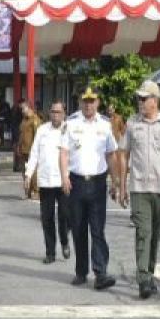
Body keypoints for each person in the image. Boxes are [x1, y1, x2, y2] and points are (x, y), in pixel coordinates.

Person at [118, 80, 160, 299]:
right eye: (138, 98)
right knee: (143, 233)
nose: (140, 102)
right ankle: (143, 279)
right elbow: (123, 154)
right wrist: (120, 185)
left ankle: (150, 273)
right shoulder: (132, 123)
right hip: (139, 187)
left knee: (155, 235)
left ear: (154, 101)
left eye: (144, 98)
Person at [59, 86, 119, 290]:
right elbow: (64, 153)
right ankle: (81, 271)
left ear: (98, 102)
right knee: (78, 229)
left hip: (98, 182)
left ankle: (100, 272)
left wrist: (116, 181)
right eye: (85, 100)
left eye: (92, 100)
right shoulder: (71, 123)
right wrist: (64, 176)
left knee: (97, 229)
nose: (88, 104)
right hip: (76, 182)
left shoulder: (105, 125)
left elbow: (111, 154)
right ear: (80, 102)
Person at [24, 100, 71, 263]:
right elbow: (34, 153)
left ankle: (64, 240)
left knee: (65, 215)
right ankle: (50, 252)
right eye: (53, 111)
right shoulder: (42, 130)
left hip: (64, 180)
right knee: (47, 218)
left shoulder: (69, 130)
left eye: (58, 112)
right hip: (45, 181)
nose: (55, 115)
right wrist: (28, 174)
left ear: (64, 113)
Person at [16, 102, 40, 188]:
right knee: (25, 171)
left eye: (24, 108)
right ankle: (27, 190)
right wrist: (18, 147)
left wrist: (35, 150)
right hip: (23, 149)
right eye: (21, 109)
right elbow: (21, 134)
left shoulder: (35, 119)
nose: (22, 111)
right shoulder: (24, 120)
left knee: (33, 171)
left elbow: (37, 135)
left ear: (30, 108)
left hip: (31, 149)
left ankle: (35, 190)